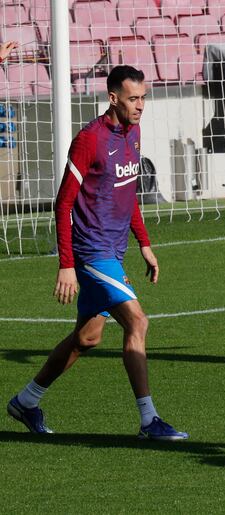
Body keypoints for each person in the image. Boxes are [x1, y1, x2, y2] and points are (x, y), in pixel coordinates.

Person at [6, 66, 188, 441]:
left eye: (144, 98)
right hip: (91, 252)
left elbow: (127, 192)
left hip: (114, 250)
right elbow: (62, 203)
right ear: (113, 98)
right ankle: (149, 420)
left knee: (87, 338)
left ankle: (26, 401)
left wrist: (145, 243)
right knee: (137, 323)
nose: (141, 106)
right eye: (133, 99)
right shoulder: (89, 139)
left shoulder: (133, 133)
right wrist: (67, 265)